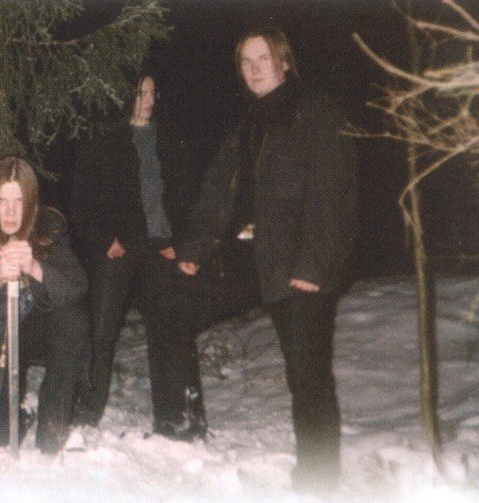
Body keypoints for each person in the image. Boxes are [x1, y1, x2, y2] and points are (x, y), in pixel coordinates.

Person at [177, 25, 358, 492]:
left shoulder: (314, 112)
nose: (254, 69)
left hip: (306, 266)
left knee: (309, 376)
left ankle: (318, 484)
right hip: (275, 266)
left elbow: (331, 191)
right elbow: (219, 190)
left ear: (284, 62)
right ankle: (313, 477)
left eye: (263, 58)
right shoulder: (250, 124)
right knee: (300, 375)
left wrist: (314, 264)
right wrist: (194, 247)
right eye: (246, 61)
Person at [71, 74, 206, 440]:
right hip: (120, 250)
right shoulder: (105, 142)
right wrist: (104, 241)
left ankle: (177, 419)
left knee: (170, 328)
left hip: (161, 248)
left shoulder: (169, 140)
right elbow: (83, 199)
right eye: (141, 93)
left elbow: (188, 193)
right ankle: (84, 413)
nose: (149, 100)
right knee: (101, 329)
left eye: (152, 92)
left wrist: (179, 240)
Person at [0, 157, 90, 454]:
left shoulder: (48, 226)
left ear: (31, 203)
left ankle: (52, 429)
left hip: (33, 329)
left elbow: (76, 285)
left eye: (19, 202)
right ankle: (14, 416)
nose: (10, 212)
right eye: (3, 201)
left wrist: (35, 268)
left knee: (74, 321)